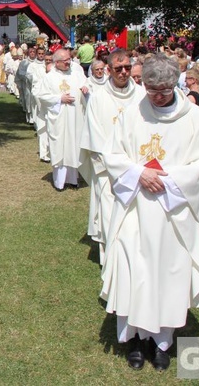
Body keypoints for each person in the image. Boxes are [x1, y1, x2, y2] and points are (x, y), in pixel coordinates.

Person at [100, 54, 199, 371]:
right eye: (152, 89)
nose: (157, 96)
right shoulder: (131, 115)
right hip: (136, 210)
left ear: (175, 85)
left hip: (174, 213)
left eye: (164, 90)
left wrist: (168, 179)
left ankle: (162, 342)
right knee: (135, 272)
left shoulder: (194, 119)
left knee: (168, 275)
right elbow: (112, 155)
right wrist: (138, 173)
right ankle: (136, 341)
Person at [80, 51, 145, 264]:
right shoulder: (98, 99)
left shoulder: (142, 96)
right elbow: (94, 135)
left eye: (127, 67)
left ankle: (134, 257)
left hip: (137, 168)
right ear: (109, 70)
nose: (124, 72)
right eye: (119, 68)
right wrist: (114, 165)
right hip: (108, 171)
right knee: (109, 213)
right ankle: (111, 259)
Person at [34, 49, 88, 190]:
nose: (68, 63)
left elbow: (87, 84)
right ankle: (60, 181)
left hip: (75, 118)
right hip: (59, 119)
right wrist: (59, 98)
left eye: (69, 60)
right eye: (65, 61)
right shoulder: (49, 78)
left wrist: (86, 88)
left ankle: (73, 179)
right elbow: (42, 96)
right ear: (56, 62)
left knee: (73, 146)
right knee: (60, 148)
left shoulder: (76, 74)